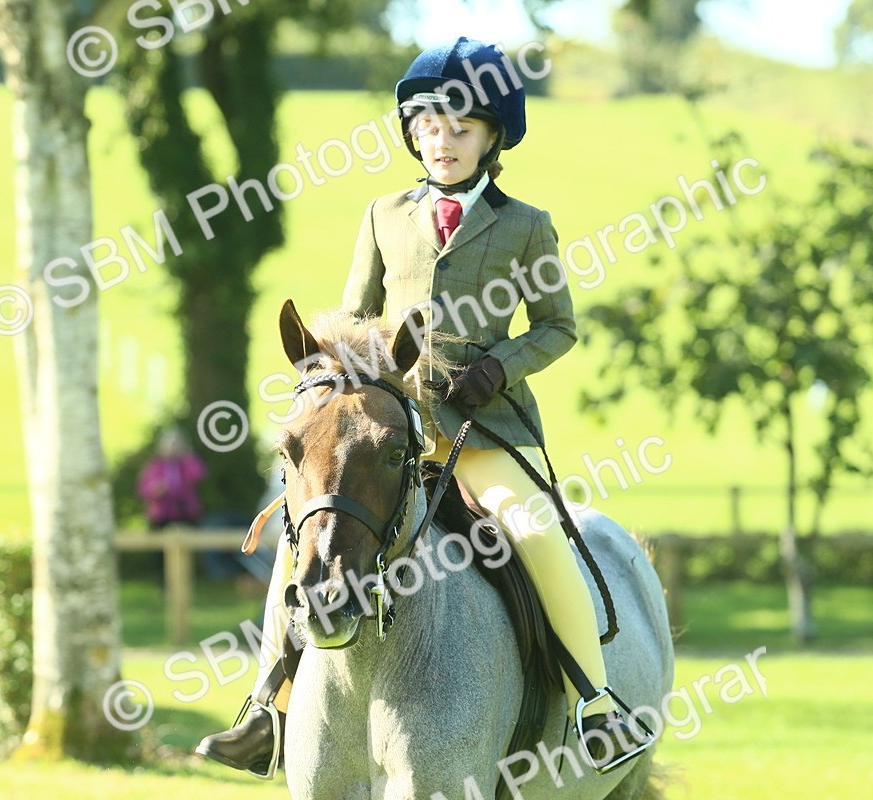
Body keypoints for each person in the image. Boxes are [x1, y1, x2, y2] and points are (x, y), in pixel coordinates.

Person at [198, 37, 652, 777]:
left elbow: (559, 326)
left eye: (461, 129)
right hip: (388, 429)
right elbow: (351, 320)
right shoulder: (383, 214)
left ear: (492, 138)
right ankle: (266, 710)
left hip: (482, 430)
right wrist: (332, 372)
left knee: (534, 532)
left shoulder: (525, 224)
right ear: (413, 133)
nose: (443, 143)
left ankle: (595, 702)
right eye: (430, 128)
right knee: (301, 538)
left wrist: (498, 367)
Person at [137, 427, 205, 529]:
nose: (173, 448)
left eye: (176, 445)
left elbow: (198, 474)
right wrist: (156, 490)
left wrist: (187, 455)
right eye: (170, 445)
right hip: (161, 515)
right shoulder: (155, 465)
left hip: (185, 512)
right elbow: (143, 488)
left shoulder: (186, 462)